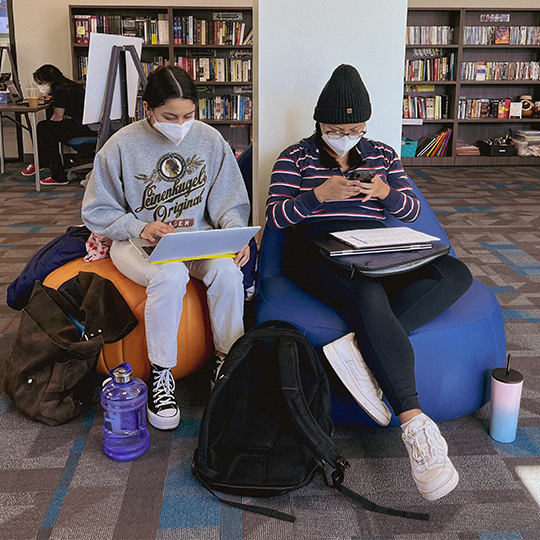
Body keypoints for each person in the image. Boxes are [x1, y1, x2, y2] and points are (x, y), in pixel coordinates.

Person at [266, 64, 473, 501]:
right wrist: (318, 196)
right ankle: (415, 424)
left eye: (356, 128)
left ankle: (358, 351)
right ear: (319, 123)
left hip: (375, 246)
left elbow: (413, 212)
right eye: (337, 128)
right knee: (367, 292)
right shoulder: (295, 157)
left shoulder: (381, 154)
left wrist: (384, 195)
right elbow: (277, 218)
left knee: (455, 272)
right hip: (316, 250)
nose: (347, 135)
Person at [82, 66, 251, 430]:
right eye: (169, 116)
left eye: (188, 115)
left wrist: (236, 234)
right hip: (135, 242)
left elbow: (230, 202)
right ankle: (162, 374)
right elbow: (96, 209)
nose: (181, 123)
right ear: (148, 110)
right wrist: (139, 225)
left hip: (195, 240)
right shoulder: (121, 145)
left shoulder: (209, 140)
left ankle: (227, 363)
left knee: (227, 273)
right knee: (171, 276)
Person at [21, 64, 93, 186]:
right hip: (88, 124)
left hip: (84, 127)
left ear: (49, 81)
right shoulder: (68, 85)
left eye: (41, 82)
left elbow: (58, 117)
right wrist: (51, 99)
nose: (40, 86)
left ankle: (56, 174)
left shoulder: (60, 89)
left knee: (45, 130)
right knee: (44, 127)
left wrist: (49, 126)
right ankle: (42, 162)